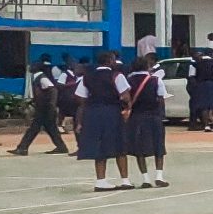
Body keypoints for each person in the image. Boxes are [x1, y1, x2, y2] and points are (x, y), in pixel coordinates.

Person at [75, 51, 130, 190]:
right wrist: (126, 110)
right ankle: (125, 180)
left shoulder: (86, 77)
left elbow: (81, 99)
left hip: (93, 113)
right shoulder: (117, 75)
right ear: (111, 61)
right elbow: (125, 96)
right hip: (112, 112)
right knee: (119, 146)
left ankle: (101, 181)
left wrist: (80, 121)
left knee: (99, 146)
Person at [119, 55, 169, 188]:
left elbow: (124, 98)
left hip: (136, 117)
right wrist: (161, 114)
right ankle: (159, 176)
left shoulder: (128, 80)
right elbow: (161, 98)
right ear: (147, 66)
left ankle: (145, 178)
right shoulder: (155, 80)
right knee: (158, 146)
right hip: (154, 116)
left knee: (139, 148)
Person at [9, 60, 69, 156]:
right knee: (51, 129)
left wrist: (52, 105)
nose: (30, 67)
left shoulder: (42, 78)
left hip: (45, 108)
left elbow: (53, 90)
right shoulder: (37, 77)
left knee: (34, 128)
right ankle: (61, 147)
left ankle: (22, 148)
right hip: (44, 107)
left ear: (38, 68)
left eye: (33, 65)